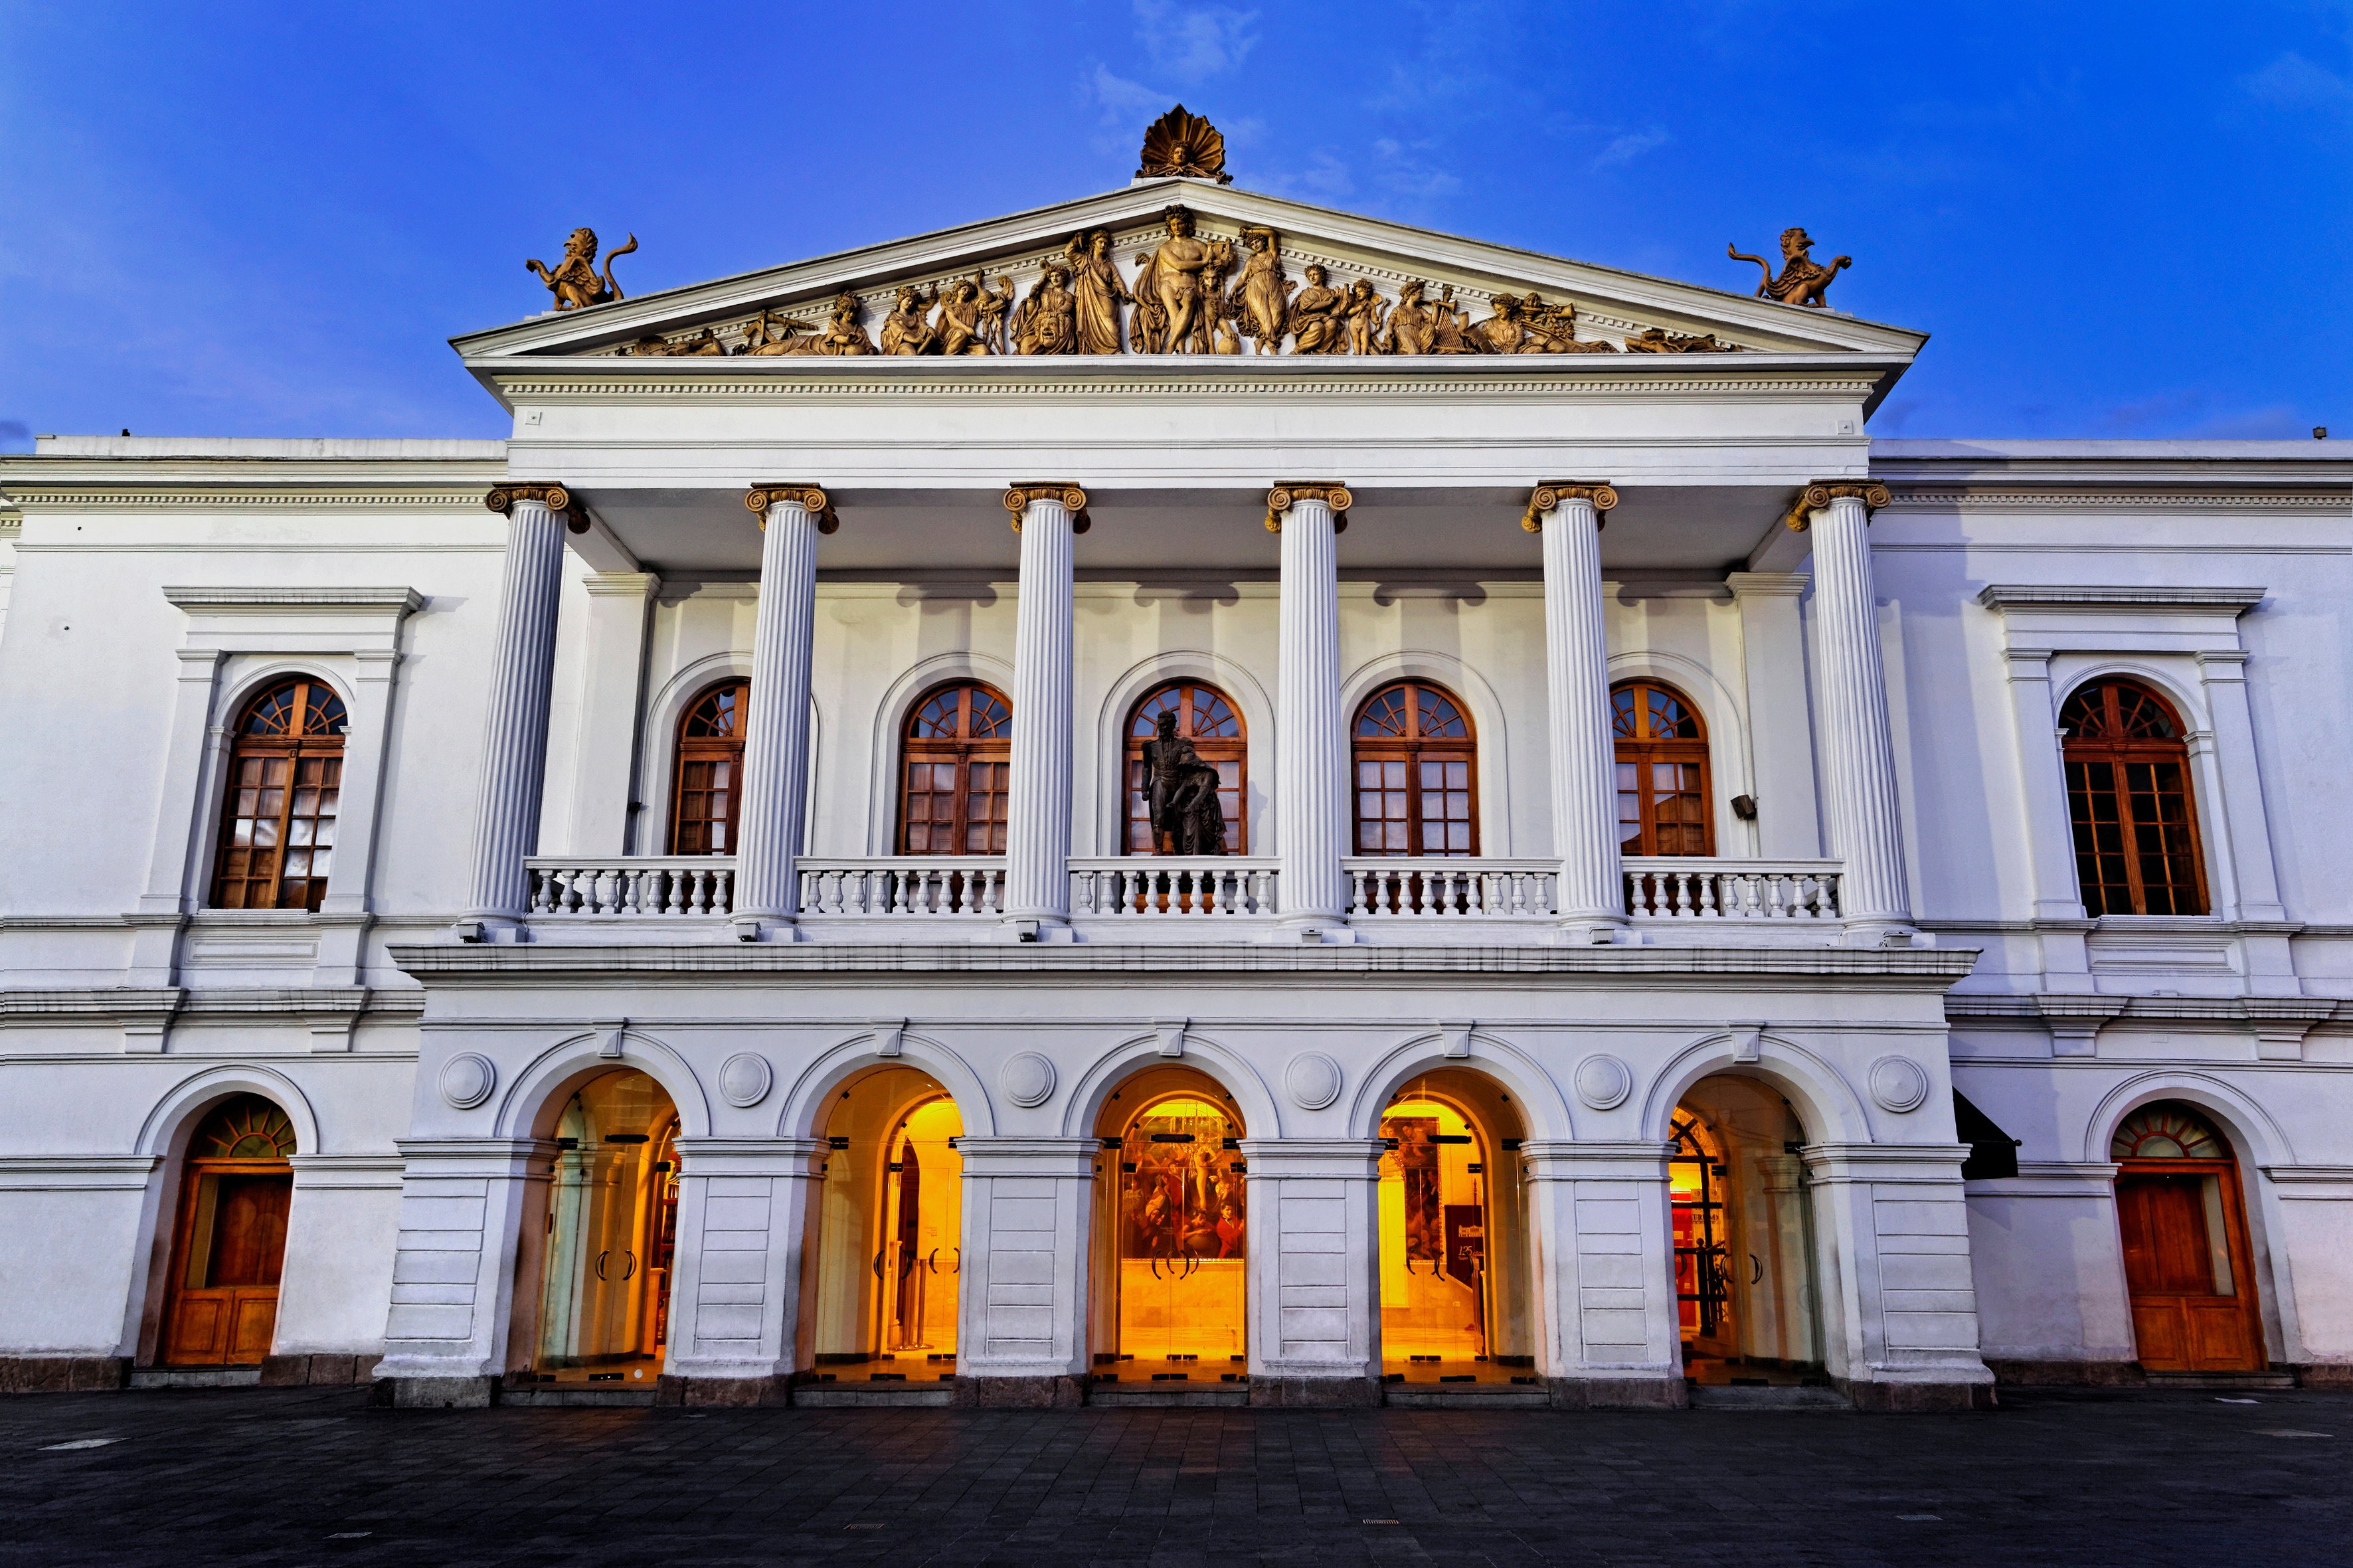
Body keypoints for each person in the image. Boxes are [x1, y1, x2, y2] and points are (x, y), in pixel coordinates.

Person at [1065, 231, 1130, 355]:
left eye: (1106, 244)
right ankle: (1089, 350)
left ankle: (1115, 349)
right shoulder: (1084, 260)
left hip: (1107, 297)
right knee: (1089, 325)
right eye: (1100, 242)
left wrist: (1124, 293)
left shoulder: (1109, 266)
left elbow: (1118, 281)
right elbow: (1069, 253)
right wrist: (1075, 240)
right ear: (1093, 244)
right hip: (1089, 300)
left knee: (1111, 325)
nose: (1103, 246)